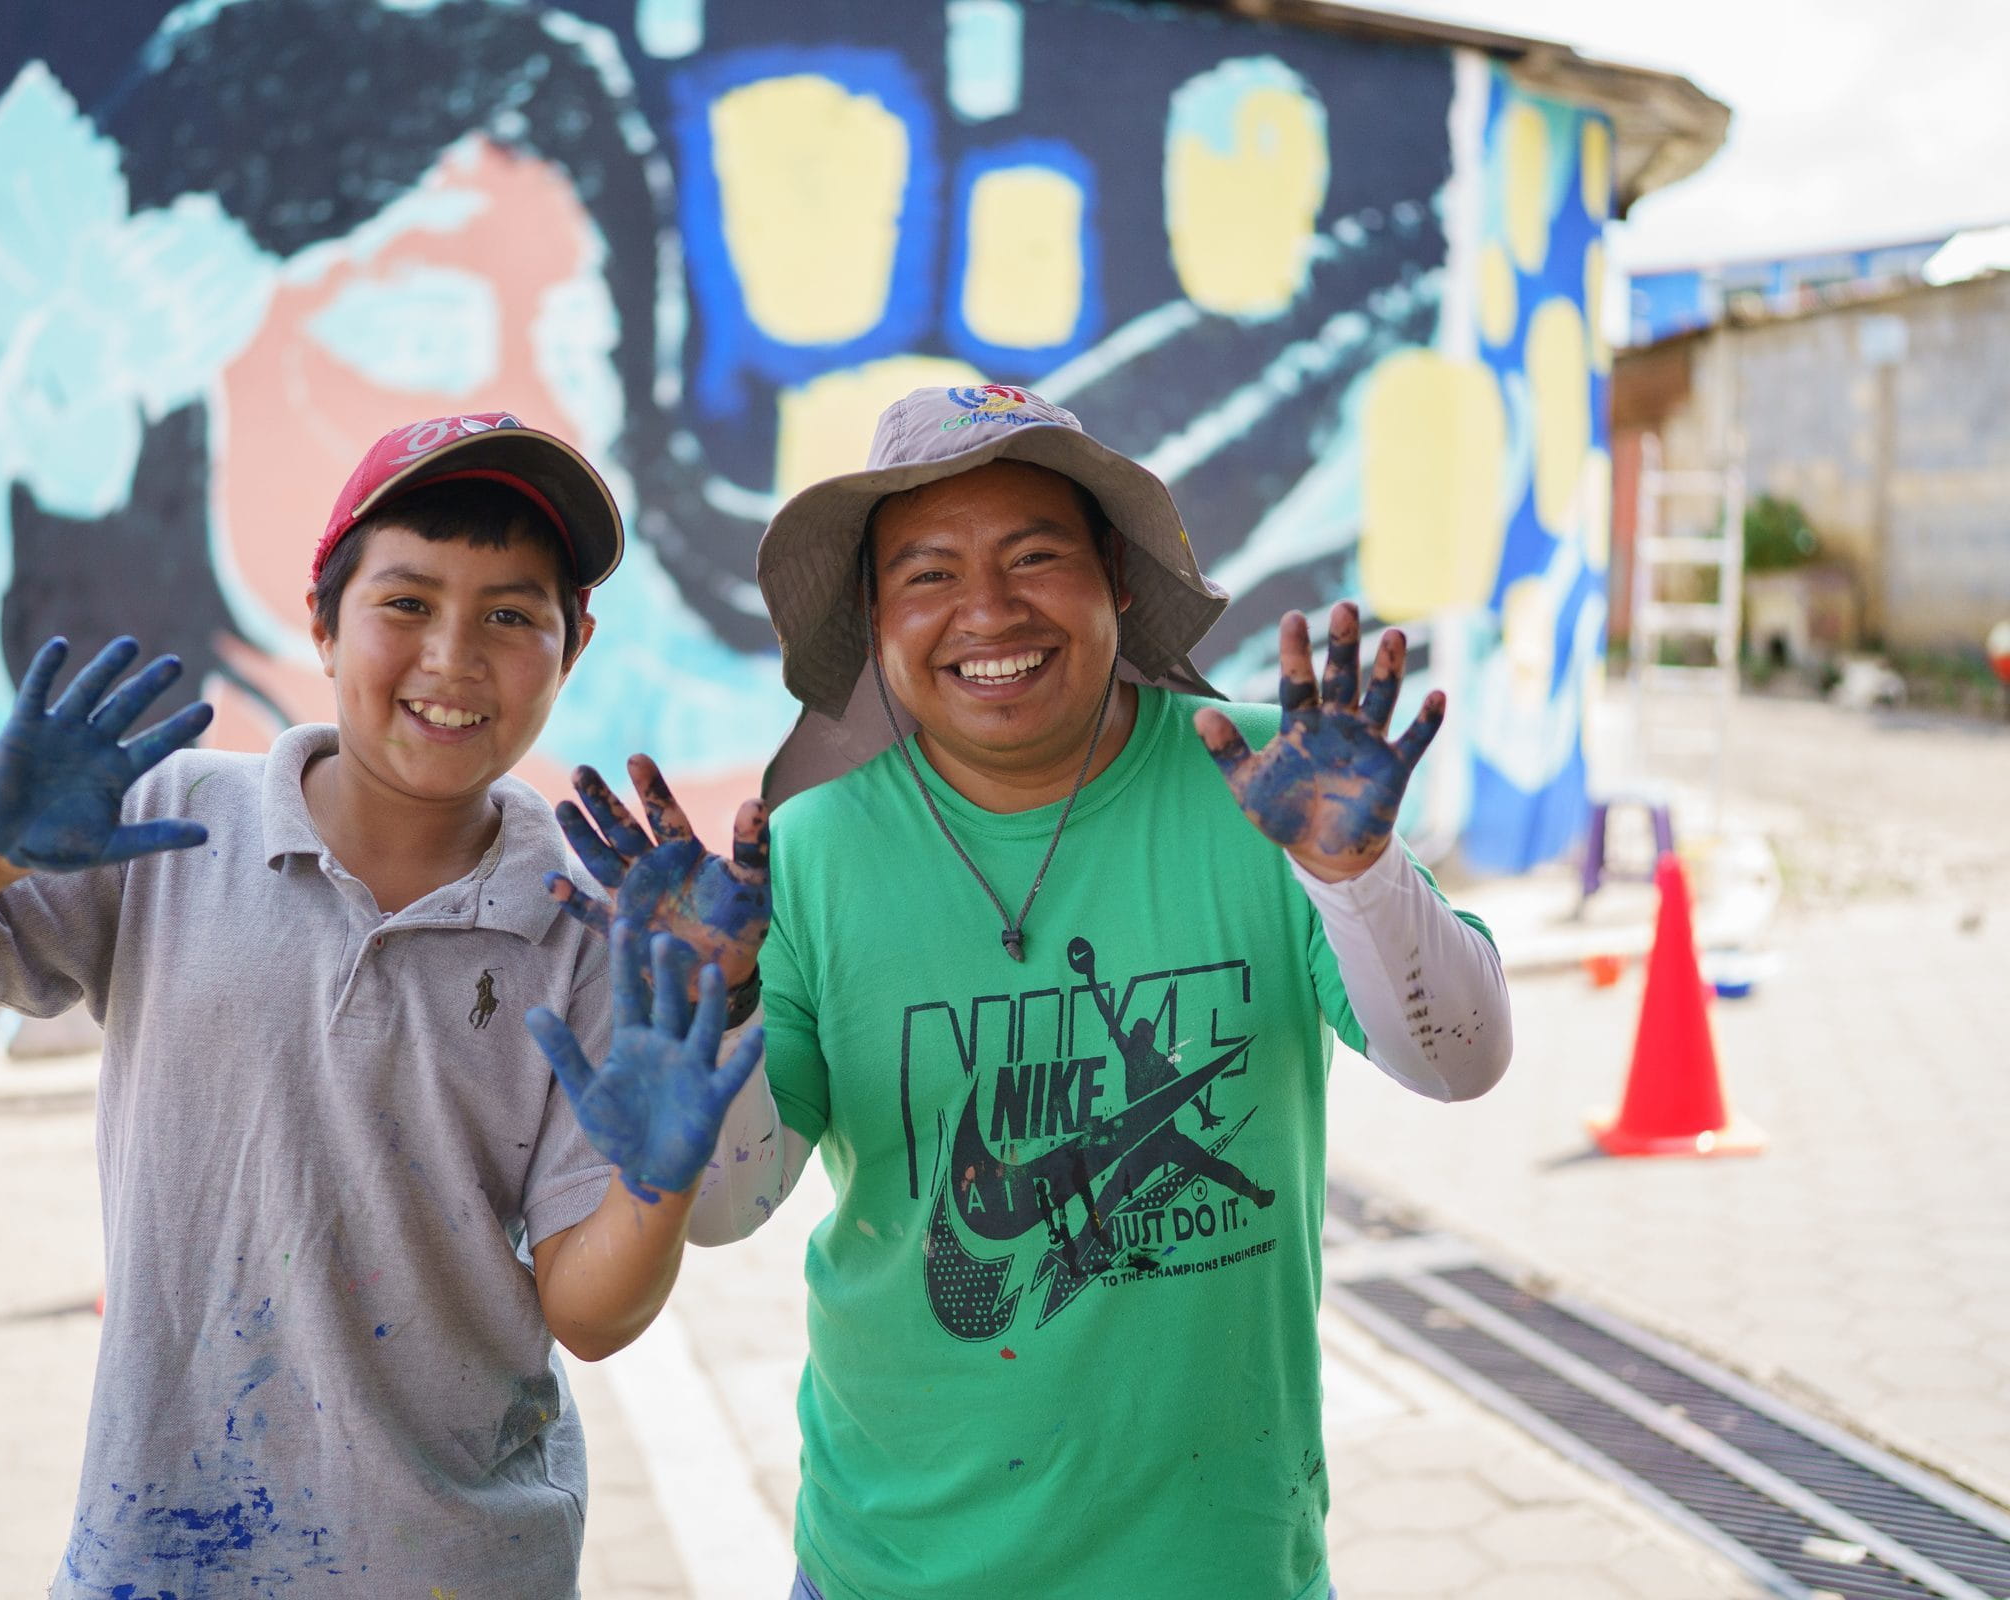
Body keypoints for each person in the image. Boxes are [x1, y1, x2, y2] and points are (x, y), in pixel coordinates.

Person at [533, 384, 1514, 1599]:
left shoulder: (1272, 782)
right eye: (929, 574)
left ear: (1116, 575)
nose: (987, 610)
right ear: (875, 617)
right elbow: (737, 1204)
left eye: (1035, 557)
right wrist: (714, 1006)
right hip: (895, 1565)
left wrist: (1354, 874)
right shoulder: (811, 854)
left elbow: (1461, 1059)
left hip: (1221, 1563)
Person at [0, 413, 762, 1598]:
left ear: (574, 648)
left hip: (455, 1565)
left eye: (511, 615)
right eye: (406, 603)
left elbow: (592, 1314)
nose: (453, 657)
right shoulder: (171, 826)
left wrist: (656, 1190)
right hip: (158, 1552)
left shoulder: (586, 921)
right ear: (321, 615)